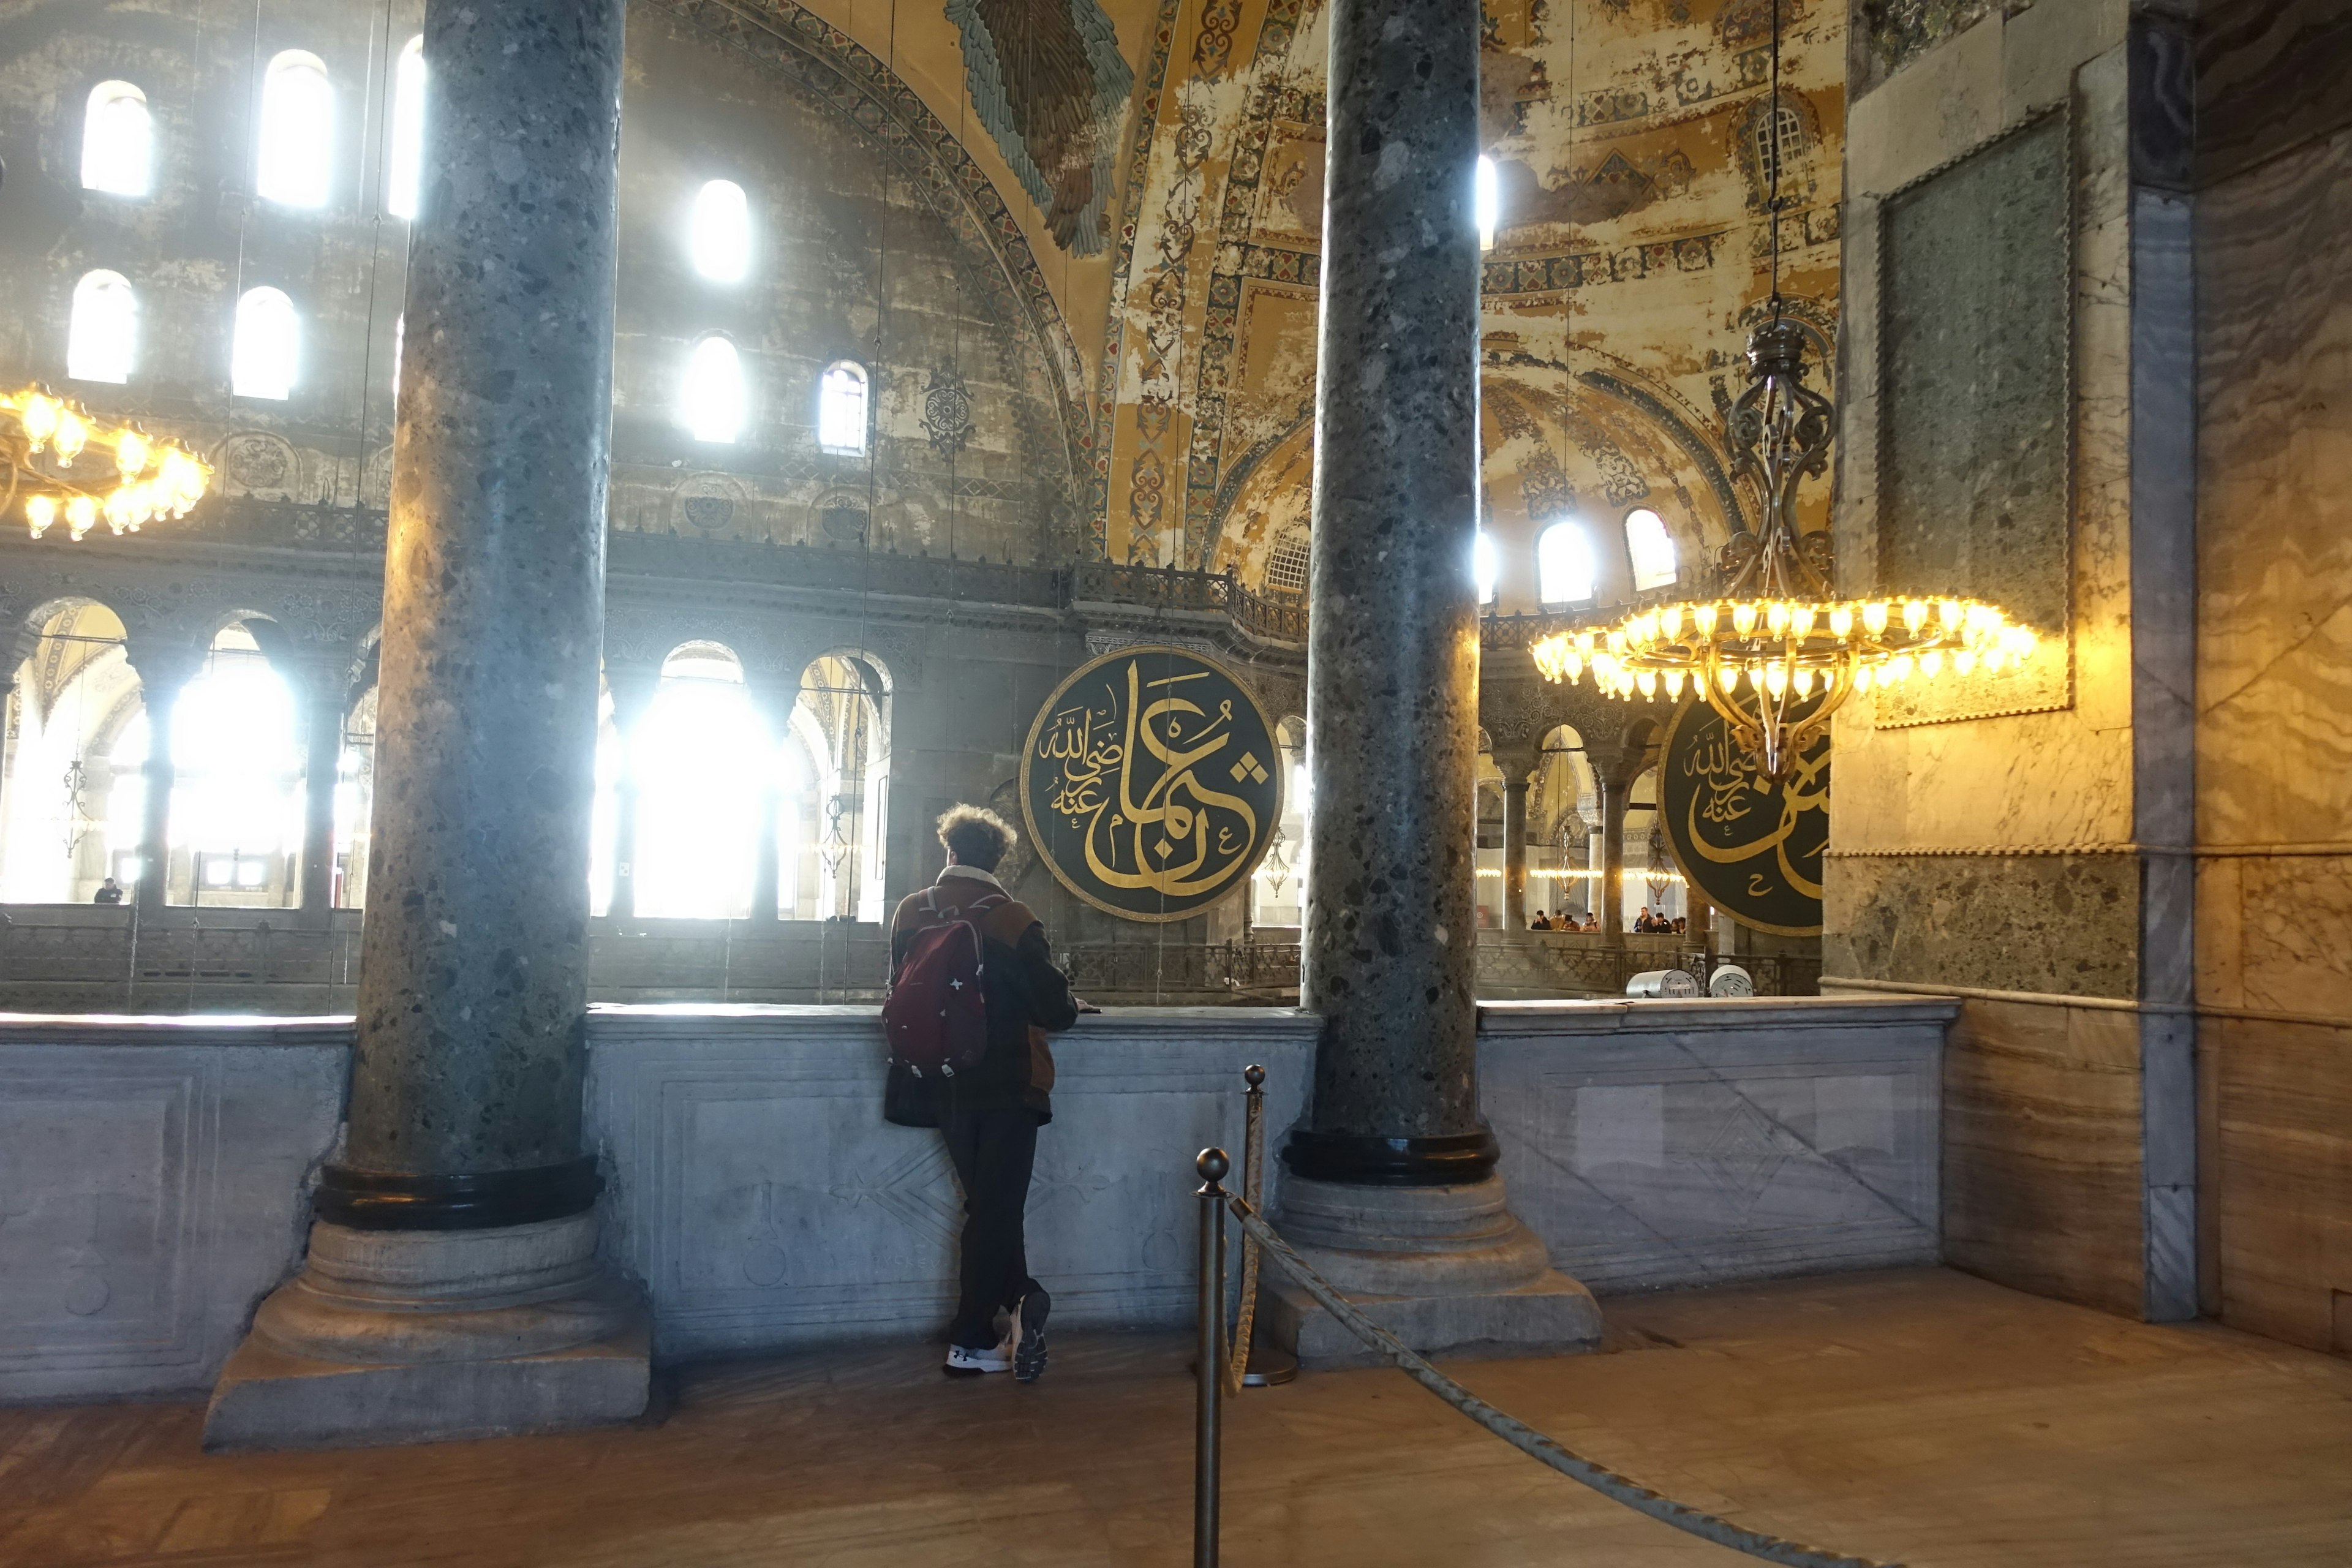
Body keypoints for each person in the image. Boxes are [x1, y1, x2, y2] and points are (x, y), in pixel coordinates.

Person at [891, 805, 1078, 1382]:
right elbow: (1055, 1011)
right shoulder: (1013, 919)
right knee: (995, 1207)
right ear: (999, 861)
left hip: (939, 1081)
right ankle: (970, 1338)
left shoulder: (911, 911)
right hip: (1008, 1083)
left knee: (989, 1207)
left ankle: (1019, 1304)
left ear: (949, 854)